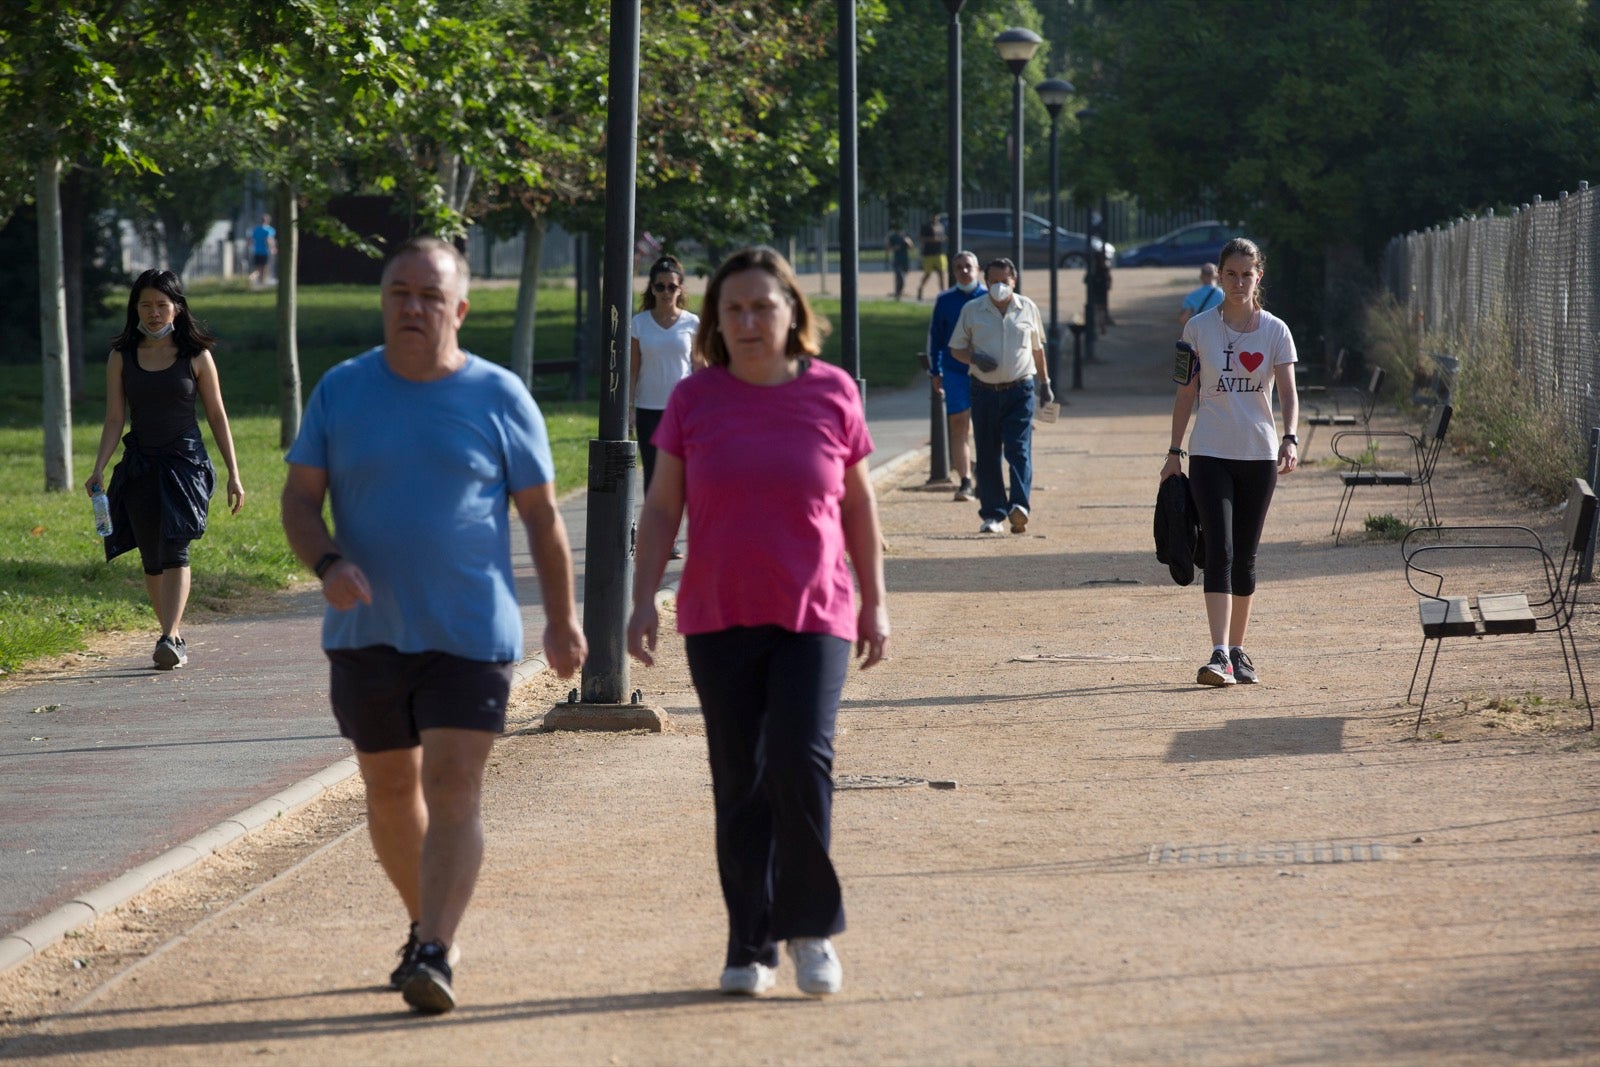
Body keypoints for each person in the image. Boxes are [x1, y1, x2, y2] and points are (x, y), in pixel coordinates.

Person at [281, 236, 587, 1015]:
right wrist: (326, 563)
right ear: (383, 301)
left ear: (460, 308)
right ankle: (426, 924)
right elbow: (298, 500)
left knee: (453, 785)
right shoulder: (343, 390)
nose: (412, 307)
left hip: (470, 633)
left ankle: (435, 949)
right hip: (365, 632)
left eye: (428, 295)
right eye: (397, 294)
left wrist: (561, 620)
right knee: (388, 790)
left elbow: (544, 518)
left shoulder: (499, 395)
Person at [626, 246, 889, 999]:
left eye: (762, 307)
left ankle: (808, 929)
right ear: (715, 320)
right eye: (732, 309)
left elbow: (858, 506)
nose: (747, 320)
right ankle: (749, 941)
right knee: (739, 778)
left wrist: (877, 599)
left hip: (816, 609)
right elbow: (662, 505)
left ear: (792, 315)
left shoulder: (832, 391)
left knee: (800, 764)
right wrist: (644, 598)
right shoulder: (694, 399)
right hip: (718, 613)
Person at [87, 269, 245, 671]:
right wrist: (99, 467)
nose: (154, 313)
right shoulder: (121, 356)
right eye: (145, 305)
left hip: (185, 462)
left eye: (161, 304)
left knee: (176, 545)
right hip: (141, 461)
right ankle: (171, 636)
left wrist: (233, 473)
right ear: (135, 309)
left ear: (177, 307)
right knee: (151, 555)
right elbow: (113, 418)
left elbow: (217, 415)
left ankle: (169, 635)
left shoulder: (196, 356)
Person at [1160, 237, 1299, 687]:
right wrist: (1174, 452)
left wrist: (1291, 438)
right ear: (1219, 276)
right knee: (1217, 549)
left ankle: (1239, 650)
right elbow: (1185, 393)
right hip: (1209, 452)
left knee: (1245, 555)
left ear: (1259, 276)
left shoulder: (1276, 330)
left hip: (1258, 453)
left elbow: (1288, 392)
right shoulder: (1198, 328)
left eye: (1247, 274)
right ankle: (1218, 653)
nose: (1239, 282)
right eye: (1231, 273)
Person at [947, 257, 1053, 534]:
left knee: (1018, 449)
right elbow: (956, 348)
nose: (998, 287)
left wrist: (1046, 383)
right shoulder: (972, 310)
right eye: (993, 282)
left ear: (1013, 281)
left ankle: (1019, 506)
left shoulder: (1027, 308)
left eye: (1004, 282)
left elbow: (1037, 349)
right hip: (984, 390)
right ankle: (993, 514)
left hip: (1020, 389)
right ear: (986, 281)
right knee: (988, 452)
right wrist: (975, 357)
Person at [630, 254, 702, 558]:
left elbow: (699, 367)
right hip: (648, 407)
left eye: (671, 287)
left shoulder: (691, 323)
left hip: (682, 410)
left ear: (680, 289)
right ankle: (660, 538)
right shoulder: (639, 323)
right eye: (659, 286)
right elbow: (633, 369)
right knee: (654, 474)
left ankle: (679, 534)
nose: (665, 292)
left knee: (682, 475)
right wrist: (629, 409)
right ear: (652, 289)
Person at [928, 250, 986, 501]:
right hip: (954, 372)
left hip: (987, 371)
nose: (964, 271)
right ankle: (965, 481)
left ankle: (986, 473)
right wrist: (935, 370)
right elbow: (935, 338)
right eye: (959, 267)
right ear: (953, 272)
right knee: (958, 423)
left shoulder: (989, 297)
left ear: (978, 270)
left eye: (968, 266)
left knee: (987, 425)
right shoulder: (945, 300)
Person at [915, 212, 948, 301]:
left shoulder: (941, 226)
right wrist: (932, 239)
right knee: (928, 273)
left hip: (939, 253)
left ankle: (943, 293)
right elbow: (920, 238)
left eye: (937, 216)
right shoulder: (926, 226)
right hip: (929, 253)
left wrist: (943, 238)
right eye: (933, 216)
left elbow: (942, 237)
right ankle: (920, 288)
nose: (935, 218)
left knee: (941, 273)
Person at [1179, 262, 1223, 327]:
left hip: (1198, 333)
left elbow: (1184, 319)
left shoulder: (1191, 296)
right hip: (1219, 333)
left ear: (1201, 276)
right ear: (1217, 276)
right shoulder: (1225, 295)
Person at [885, 226, 914, 300]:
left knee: (902, 276)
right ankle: (898, 292)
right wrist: (894, 248)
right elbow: (888, 248)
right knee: (899, 276)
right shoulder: (892, 237)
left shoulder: (906, 237)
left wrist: (907, 241)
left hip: (905, 260)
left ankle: (899, 292)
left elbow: (911, 248)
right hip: (897, 259)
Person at [248, 213, 276, 287]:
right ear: (268, 221)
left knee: (257, 269)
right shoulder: (269, 230)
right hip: (265, 252)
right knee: (264, 269)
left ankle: (253, 277)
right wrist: (273, 248)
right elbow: (269, 240)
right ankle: (262, 283)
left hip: (256, 251)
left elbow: (250, 240)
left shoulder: (256, 229)